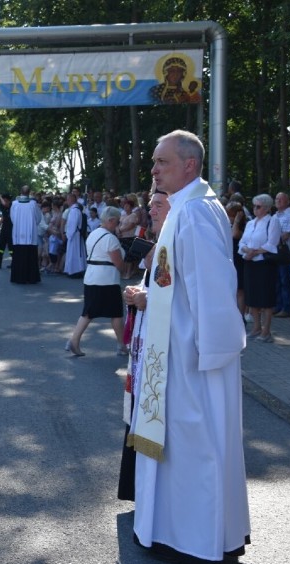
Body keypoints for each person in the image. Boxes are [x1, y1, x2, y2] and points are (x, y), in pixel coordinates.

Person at [130, 130, 250, 564]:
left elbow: (214, 290)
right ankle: (171, 531)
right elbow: (173, 282)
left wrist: (211, 355)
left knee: (195, 448)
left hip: (192, 358)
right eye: (154, 163)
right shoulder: (185, 208)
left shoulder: (196, 213)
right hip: (173, 350)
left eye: (161, 162)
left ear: (189, 166)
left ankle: (197, 539)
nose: (154, 170)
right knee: (177, 447)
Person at [119, 188, 170, 502]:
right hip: (145, 340)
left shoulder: (174, 240)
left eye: (158, 205)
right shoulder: (160, 239)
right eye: (150, 205)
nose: (151, 210)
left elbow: (178, 294)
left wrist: (146, 298)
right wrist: (137, 292)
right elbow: (155, 284)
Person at [65, 207, 127, 357]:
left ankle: (74, 340)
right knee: (116, 313)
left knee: (88, 312)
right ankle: (122, 345)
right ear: (111, 220)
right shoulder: (110, 238)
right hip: (107, 280)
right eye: (117, 222)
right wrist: (125, 270)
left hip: (92, 277)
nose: (118, 225)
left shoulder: (93, 234)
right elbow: (118, 263)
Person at [238, 193, 282, 343]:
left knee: (265, 297)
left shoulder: (272, 221)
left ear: (267, 208)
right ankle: (256, 327)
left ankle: (266, 330)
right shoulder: (251, 223)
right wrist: (246, 251)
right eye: (254, 206)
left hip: (264, 264)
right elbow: (242, 242)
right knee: (252, 296)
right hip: (250, 263)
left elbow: (272, 243)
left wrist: (254, 252)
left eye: (258, 206)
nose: (255, 209)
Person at [9, 186, 42, 284]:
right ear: (28, 193)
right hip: (30, 236)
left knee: (18, 256)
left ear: (21, 192)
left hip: (18, 235)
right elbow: (38, 218)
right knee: (30, 257)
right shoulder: (33, 204)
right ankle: (31, 278)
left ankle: (18, 277)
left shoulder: (14, 204)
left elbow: (12, 219)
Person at [273, 192, 290, 317]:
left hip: (285, 252)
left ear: (287, 201)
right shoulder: (275, 215)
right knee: (277, 279)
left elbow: (286, 234)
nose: (277, 201)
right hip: (275, 252)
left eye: (280, 199)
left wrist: (271, 240)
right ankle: (278, 305)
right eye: (276, 199)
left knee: (285, 280)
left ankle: (287, 307)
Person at [63, 193, 86, 277]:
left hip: (74, 235)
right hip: (75, 235)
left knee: (74, 253)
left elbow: (72, 225)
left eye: (68, 199)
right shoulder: (74, 210)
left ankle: (75, 271)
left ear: (72, 200)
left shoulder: (74, 210)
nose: (67, 201)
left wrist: (68, 234)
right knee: (73, 253)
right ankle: (73, 270)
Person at [0, 194, 13, 268]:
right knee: (0, 246)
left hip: (11, 230)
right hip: (4, 230)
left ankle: (13, 263)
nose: (4, 202)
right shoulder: (3, 207)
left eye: (5, 201)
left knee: (11, 248)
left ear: (9, 201)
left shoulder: (12, 207)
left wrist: (0, 197)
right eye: (3, 200)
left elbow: (4, 204)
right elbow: (3, 218)